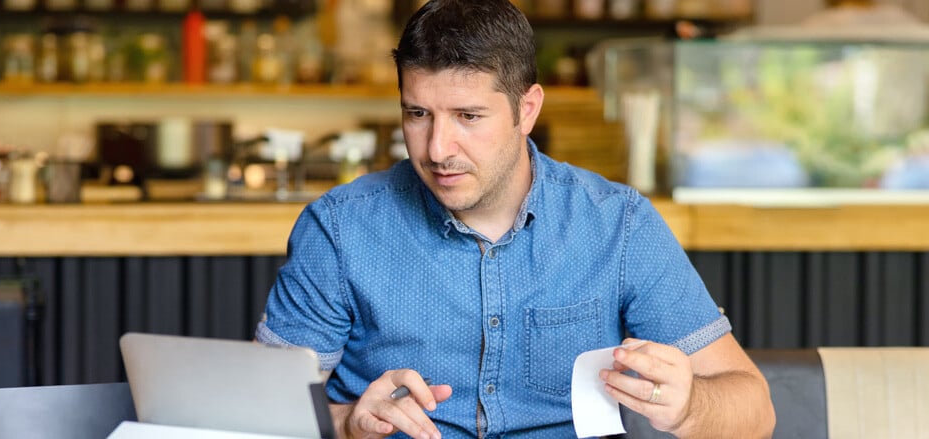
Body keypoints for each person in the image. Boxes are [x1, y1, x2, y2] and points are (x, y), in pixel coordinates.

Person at [256, 1, 776, 437]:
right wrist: (347, 421)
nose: (437, 149)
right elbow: (256, 419)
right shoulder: (341, 229)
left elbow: (755, 408)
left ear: (527, 110)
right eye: (418, 114)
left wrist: (689, 407)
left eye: (469, 117)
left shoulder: (619, 227)